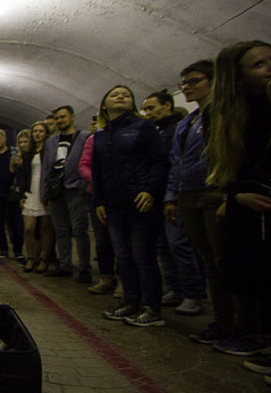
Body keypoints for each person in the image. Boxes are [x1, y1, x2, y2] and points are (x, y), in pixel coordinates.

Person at [204, 40, 271, 361]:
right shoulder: (223, 114)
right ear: (238, 77)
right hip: (246, 198)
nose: (268, 69)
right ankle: (250, 331)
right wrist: (234, 193)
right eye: (258, 65)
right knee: (244, 264)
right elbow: (221, 160)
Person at [165, 60, 232, 342]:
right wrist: (172, 195)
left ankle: (239, 323)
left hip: (213, 192)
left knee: (223, 259)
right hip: (188, 194)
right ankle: (222, 320)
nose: (188, 88)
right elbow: (176, 162)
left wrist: (228, 195)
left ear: (213, 82)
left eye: (195, 81)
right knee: (207, 257)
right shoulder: (188, 122)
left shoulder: (224, 115)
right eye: (185, 83)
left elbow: (231, 156)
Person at [93, 86, 167, 327]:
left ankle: (151, 307)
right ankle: (131, 302)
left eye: (126, 94)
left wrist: (151, 190)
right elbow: (98, 171)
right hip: (114, 204)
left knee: (142, 254)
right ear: (104, 105)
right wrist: (99, 201)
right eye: (114, 94)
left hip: (139, 201)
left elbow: (159, 161)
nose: (121, 96)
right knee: (123, 256)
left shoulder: (143, 127)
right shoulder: (102, 135)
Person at [142, 89, 205, 314]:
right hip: (156, 195)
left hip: (175, 193)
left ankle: (193, 293)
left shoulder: (178, 129)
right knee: (163, 245)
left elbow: (174, 164)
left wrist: (172, 195)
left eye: (152, 108)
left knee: (179, 244)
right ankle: (175, 288)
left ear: (167, 106)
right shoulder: (154, 131)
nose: (148, 113)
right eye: (146, 109)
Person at [41, 105, 93, 283]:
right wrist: (44, 190)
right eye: (57, 118)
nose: (59, 121)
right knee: (61, 229)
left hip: (76, 188)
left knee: (79, 229)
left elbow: (88, 161)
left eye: (63, 117)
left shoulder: (85, 137)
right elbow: (46, 167)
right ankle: (65, 265)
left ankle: (85, 268)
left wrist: (85, 184)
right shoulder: (51, 142)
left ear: (73, 117)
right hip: (56, 189)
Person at [78, 113, 118, 295]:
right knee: (102, 239)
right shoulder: (94, 140)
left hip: (122, 194)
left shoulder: (132, 134)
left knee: (123, 241)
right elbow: (84, 164)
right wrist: (97, 181)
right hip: (97, 194)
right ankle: (106, 277)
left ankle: (126, 280)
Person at [20, 122, 56, 273]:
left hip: (45, 191)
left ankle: (44, 259)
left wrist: (47, 192)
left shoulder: (50, 151)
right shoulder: (29, 153)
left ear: (46, 133)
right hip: (30, 191)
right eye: (35, 131)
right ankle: (30, 257)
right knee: (29, 227)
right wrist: (21, 194)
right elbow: (23, 175)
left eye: (41, 131)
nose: (37, 134)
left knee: (45, 228)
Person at [0, 129, 24, 260]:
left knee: (16, 223)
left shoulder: (14, 154)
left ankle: (18, 251)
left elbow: (21, 174)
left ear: (4, 139)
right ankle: (3, 250)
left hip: (13, 194)